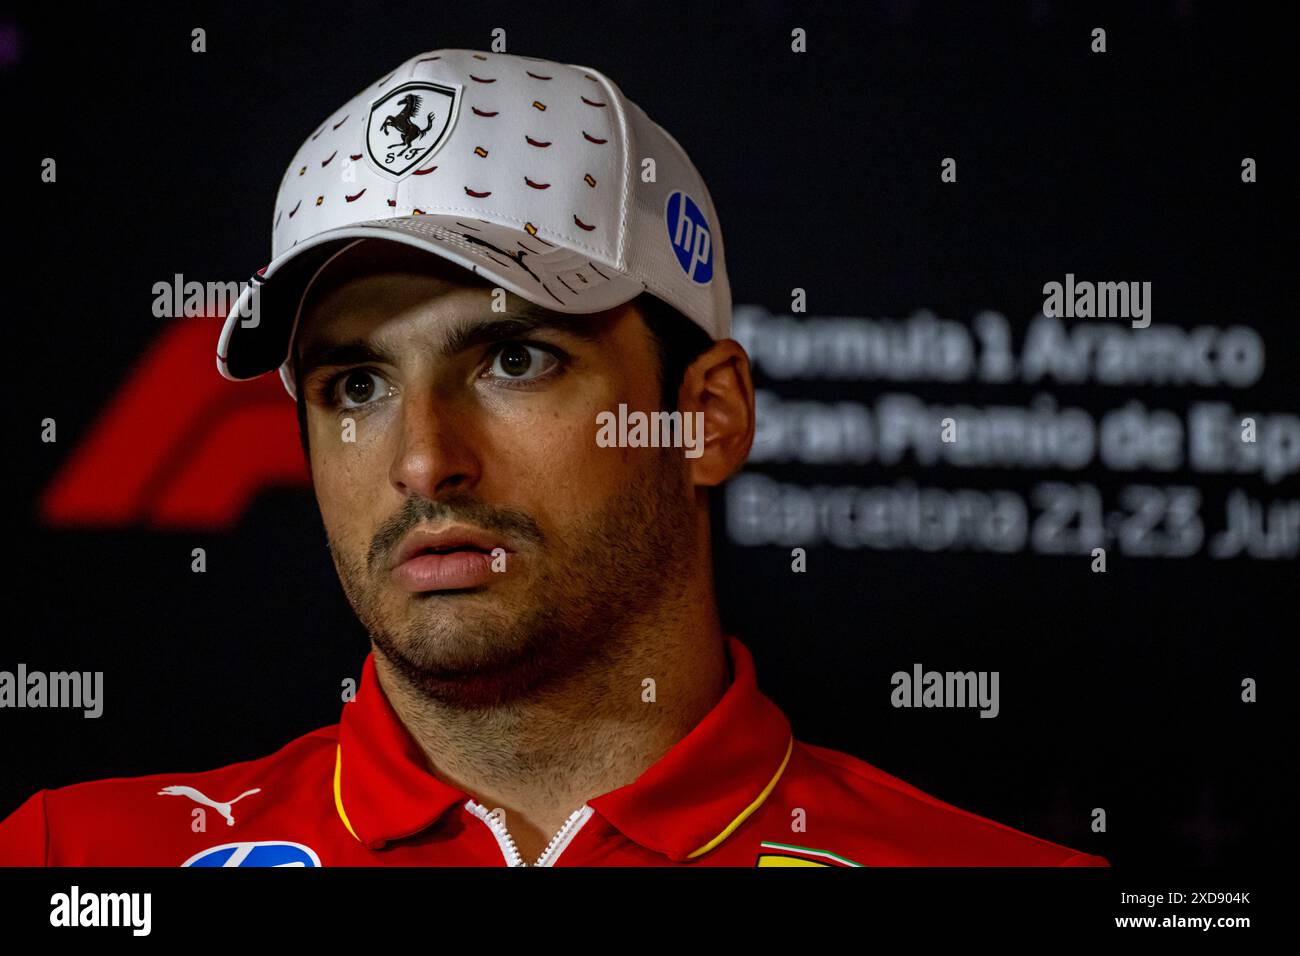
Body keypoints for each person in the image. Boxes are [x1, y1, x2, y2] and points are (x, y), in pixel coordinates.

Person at [0, 49, 1107, 867]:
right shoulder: (74, 859)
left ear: (707, 415)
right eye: (356, 385)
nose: (426, 460)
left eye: (515, 357)